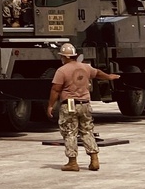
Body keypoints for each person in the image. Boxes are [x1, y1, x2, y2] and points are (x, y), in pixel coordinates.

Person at [46, 42, 119, 173]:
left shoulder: (62, 71)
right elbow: (97, 73)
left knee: (70, 132)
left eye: (62, 56)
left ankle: (72, 162)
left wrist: (51, 105)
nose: (61, 59)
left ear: (65, 57)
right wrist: (109, 77)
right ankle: (94, 159)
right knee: (87, 131)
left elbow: (55, 89)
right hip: (85, 103)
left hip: (70, 104)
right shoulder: (86, 67)